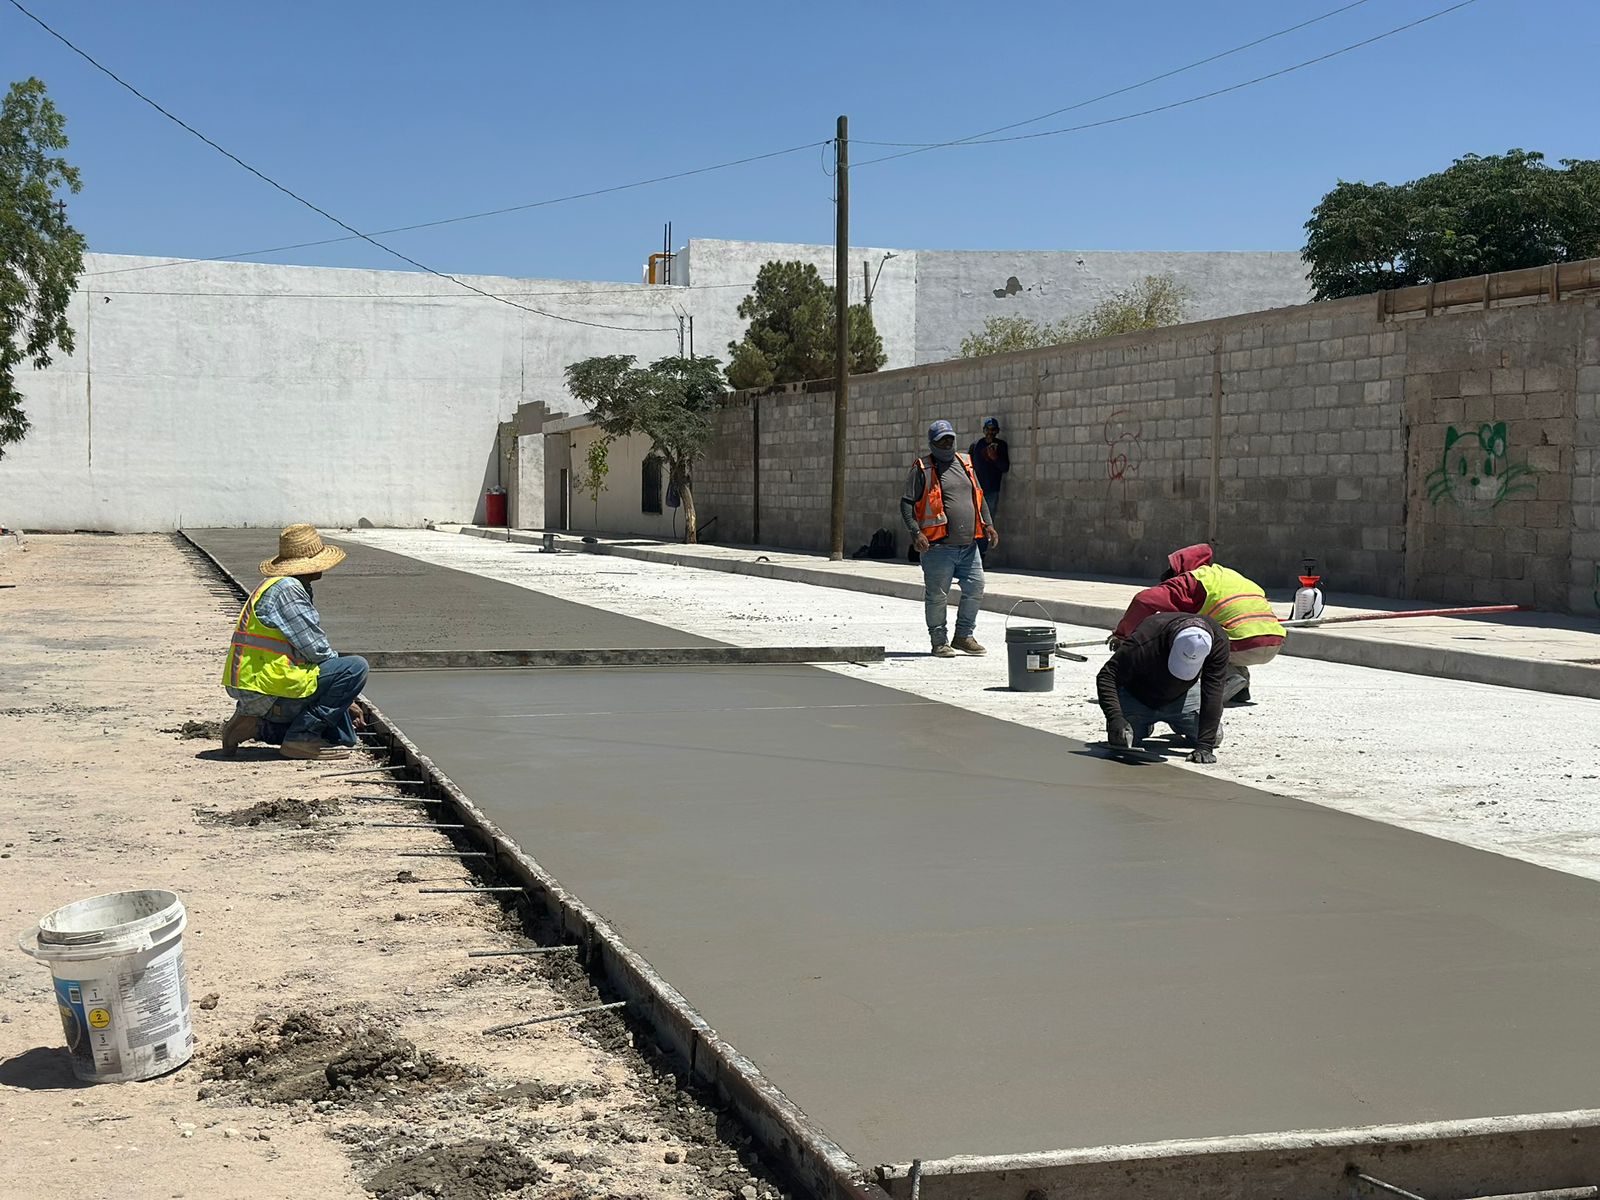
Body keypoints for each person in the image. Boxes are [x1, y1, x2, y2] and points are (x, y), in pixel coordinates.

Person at [219, 524, 369, 762]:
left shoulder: (279, 585)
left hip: (263, 682)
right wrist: (346, 696)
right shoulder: (288, 590)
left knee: (343, 737)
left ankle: (254, 728)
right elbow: (317, 650)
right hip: (269, 686)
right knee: (355, 668)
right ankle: (300, 738)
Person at [1110, 543, 1284, 703]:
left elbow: (1144, 600)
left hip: (1243, 643)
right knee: (1224, 629)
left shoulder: (1191, 580)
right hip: (1273, 641)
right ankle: (1240, 686)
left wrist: (1123, 636)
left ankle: (1226, 680)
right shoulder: (1229, 575)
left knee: (1186, 640)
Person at [901, 419, 999, 657]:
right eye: (941, 440)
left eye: (949, 439)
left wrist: (988, 524)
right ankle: (939, 641)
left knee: (975, 588)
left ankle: (963, 636)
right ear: (932, 443)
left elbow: (979, 496)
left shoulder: (965, 462)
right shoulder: (922, 468)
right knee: (937, 596)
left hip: (968, 547)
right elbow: (906, 503)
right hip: (937, 548)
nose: (947, 444)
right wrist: (916, 532)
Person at [1097, 612, 1229, 764]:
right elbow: (1107, 675)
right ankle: (1145, 723)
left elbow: (1213, 690)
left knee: (1214, 737)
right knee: (1121, 738)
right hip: (1139, 696)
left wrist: (1205, 746)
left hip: (1182, 695)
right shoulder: (1147, 637)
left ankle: (1178, 721)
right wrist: (1115, 717)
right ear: (1171, 643)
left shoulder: (1218, 642)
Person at [968, 417, 1010, 502]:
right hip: (977, 488)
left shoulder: (1001, 445)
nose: (990, 432)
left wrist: (995, 458)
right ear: (984, 430)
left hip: (992, 490)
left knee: (989, 511)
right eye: (987, 429)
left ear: (997, 431)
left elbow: (1005, 467)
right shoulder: (975, 445)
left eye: (993, 430)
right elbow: (969, 466)